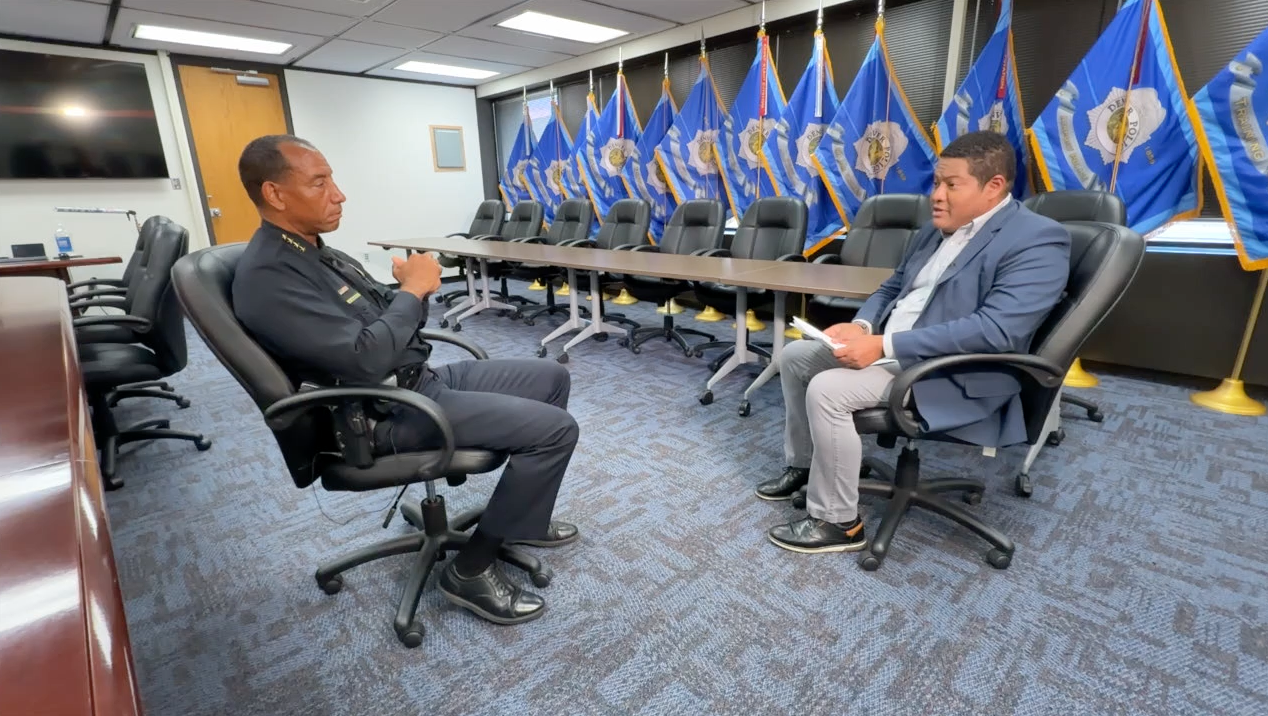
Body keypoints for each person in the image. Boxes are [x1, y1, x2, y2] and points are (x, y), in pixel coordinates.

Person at [231, 135, 579, 625]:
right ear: (275, 194)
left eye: (331, 178)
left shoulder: (314, 253)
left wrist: (406, 293)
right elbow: (365, 361)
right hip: (379, 412)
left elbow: (384, 326)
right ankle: (470, 569)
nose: (338, 193)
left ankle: (521, 519)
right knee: (555, 431)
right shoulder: (270, 274)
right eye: (319, 182)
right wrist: (413, 290)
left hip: (415, 380)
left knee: (548, 377)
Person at [758, 131, 1072, 554]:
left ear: (994, 186)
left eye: (951, 185)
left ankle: (839, 524)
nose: (936, 195)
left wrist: (887, 345)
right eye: (935, 183)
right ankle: (804, 465)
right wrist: (864, 325)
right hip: (895, 350)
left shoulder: (1037, 238)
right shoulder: (933, 231)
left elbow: (998, 331)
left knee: (829, 390)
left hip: (954, 369)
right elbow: (890, 289)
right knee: (795, 356)